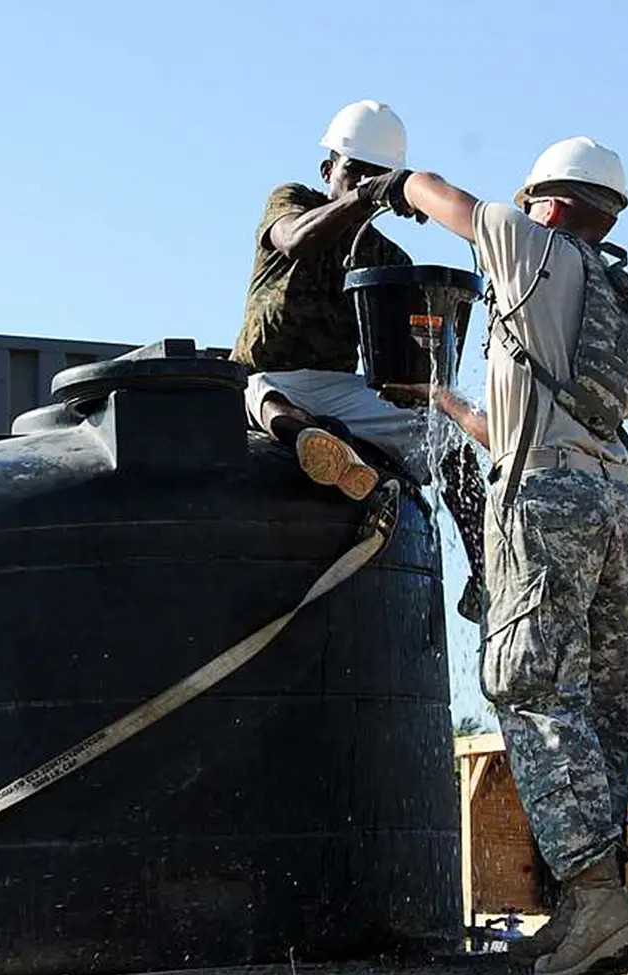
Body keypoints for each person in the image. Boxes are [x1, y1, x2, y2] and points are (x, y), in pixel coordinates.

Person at [361, 137, 628, 975]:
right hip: (615, 511)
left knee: (526, 681)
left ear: (550, 205)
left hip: (549, 513)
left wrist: (392, 185)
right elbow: (526, 425)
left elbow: (446, 199)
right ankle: (586, 905)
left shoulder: (532, 246)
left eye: (530, 203)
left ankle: (596, 895)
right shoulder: (616, 296)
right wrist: (443, 401)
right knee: (598, 710)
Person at [231, 99, 487, 621]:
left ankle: (487, 570)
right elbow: (297, 241)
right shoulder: (291, 201)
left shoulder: (389, 260)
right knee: (255, 394)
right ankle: (306, 439)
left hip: (339, 389)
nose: (363, 183)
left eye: (377, 176)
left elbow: (404, 357)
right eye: (355, 172)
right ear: (329, 170)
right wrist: (368, 197)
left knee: (445, 441)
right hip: (265, 375)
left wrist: (426, 395)